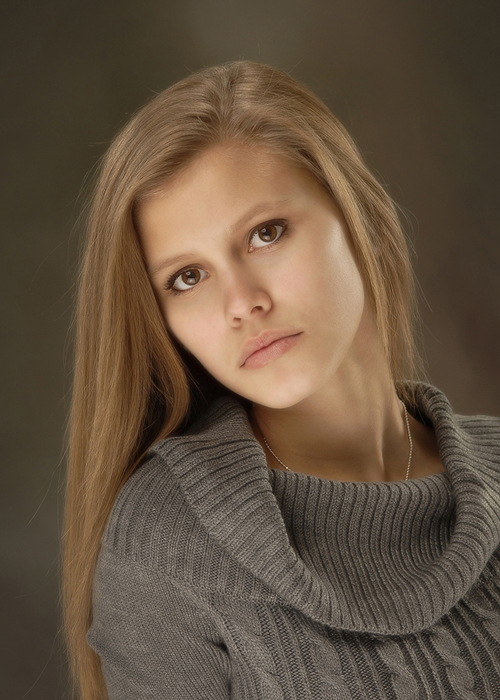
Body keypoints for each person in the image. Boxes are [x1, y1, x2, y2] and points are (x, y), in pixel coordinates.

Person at [62, 61, 500, 700]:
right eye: (187, 277)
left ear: (362, 223)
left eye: (265, 234)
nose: (240, 302)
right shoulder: (165, 549)